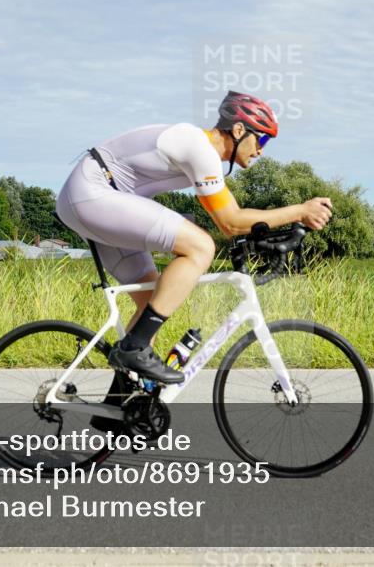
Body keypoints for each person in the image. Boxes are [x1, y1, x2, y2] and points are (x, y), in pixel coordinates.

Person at [55, 91, 333, 385]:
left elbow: (236, 218)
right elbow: (231, 222)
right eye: (261, 140)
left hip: (96, 199)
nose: (261, 151)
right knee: (201, 247)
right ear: (239, 130)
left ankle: (123, 404)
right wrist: (300, 211)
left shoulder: (200, 152)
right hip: (92, 194)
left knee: (154, 298)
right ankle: (134, 350)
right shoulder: (199, 148)